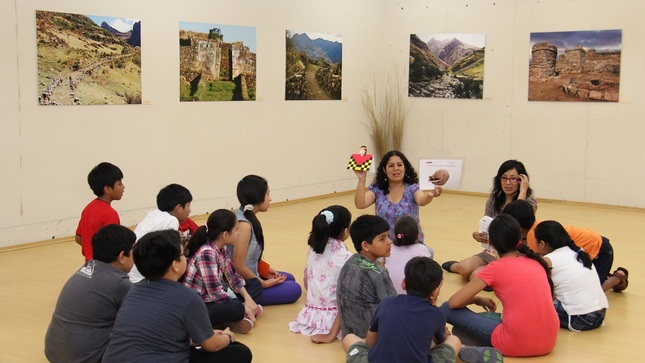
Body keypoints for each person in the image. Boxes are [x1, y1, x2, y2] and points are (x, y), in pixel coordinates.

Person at [102, 230, 252, 363]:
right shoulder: (188, 296)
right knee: (240, 352)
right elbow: (212, 345)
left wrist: (201, 337)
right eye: (183, 255)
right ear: (175, 265)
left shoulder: (133, 291)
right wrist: (228, 337)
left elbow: (155, 334)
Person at [343, 257, 503, 363]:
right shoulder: (436, 313)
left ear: (404, 283)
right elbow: (440, 342)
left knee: (349, 338)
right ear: (434, 291)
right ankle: (461, 352)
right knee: (453, 341)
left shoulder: (386, 303)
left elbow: (370, 342)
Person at [441, 214, 559, 357]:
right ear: (519, 237)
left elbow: (454, 303)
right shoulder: (536, 261)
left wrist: (477, 300)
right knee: (493, 318)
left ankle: (466, 347)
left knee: (445, 308)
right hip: (549, 341)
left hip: (516, 344)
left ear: (491, 242)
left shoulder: (495, 268)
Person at [45, 224, 135, 363]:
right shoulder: (119, 283)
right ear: (122, 256)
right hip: (82, 358)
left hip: (53, 352)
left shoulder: (88, 267)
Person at [503, 199, 628, 293]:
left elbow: (537, 266)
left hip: (600, 251)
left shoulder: (533, 237)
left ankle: (616, 278)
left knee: (593, 291)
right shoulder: (537, 227)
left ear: (517, 226)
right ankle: (608, 274)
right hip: (592, 245)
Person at [443, 160, 536, 280]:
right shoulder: (493, 201)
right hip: (494, 249)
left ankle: (496, 274)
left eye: (513, 178)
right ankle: (457, 266)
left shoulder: (529, 203)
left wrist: (523, 191)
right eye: (504, 178)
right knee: (464, 268)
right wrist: (477, 235)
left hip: (515, 253)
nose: (508, 182)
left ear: (522, 181)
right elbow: (487, 224)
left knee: (476, 276)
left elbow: (514, 220)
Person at [183, 209, 261, 334]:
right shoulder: (206, 253)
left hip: (213, 299)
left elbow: (233, 276)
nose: (238, 233)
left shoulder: (220, 248)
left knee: (255, 284)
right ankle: (236, 316)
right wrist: (243, 307)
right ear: (225, 235)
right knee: (235, 307)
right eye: (236, 230)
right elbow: (216, 293)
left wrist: (248, 298)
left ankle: (235, 317)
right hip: (200, 306)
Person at [228, 175, 302, 305]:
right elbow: (238, 266)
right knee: (295, 289)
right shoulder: (244, 225)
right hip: (242, 285)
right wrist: (263, 283)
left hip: (249, 275)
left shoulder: (244, 216)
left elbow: (247, 256)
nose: (270, 198)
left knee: (289, 277)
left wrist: (266, 270)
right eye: (268, 194)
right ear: (258, 196)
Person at [289, 205, 353, 343]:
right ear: (346, 231)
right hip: (335, 317)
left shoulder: (313, 249)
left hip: (311, 312)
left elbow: (306, 278)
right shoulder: (345, 257)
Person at [354, 150, 442, 244]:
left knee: (428, 253)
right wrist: (361, 179)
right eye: (391, 166)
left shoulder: (412, 188)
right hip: (386, 244)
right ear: (384, 170)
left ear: (405, 168)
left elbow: (422, 200)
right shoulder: (377, 189)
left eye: (399, 165)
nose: (396, 168)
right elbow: (360, 204)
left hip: (410, 241)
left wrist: (429, 196)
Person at [534, 220, 608, 331]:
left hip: (580, 319)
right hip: (599, 314)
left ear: (542, 244)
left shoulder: (549, 260)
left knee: (533, 303)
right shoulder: (578, 252)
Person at [336, 214, 397, 339]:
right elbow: (394, 309)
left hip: (350, 337)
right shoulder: (379, 272)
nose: (390, 242)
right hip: (373, 338)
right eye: (382, 239)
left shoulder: (349, 262)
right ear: (365, 246)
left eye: (388, 236)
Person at [128, 183, 193, 283]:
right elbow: (169, 255)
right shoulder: (171, 220)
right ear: (179, 208)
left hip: (133, 270)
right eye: (188, 206)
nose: (190, 210)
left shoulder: (154, 214)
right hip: (142, 276)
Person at [75, 162, 125, 261]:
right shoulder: (110, 214)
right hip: (105, 267)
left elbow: (78, 238)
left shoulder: (88, 208)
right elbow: (114, 245)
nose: (123, 187)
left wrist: (90, 251)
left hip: (89, 266)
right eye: (119, 183)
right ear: (107, 189)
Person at [384, 215, 432, 295]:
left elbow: (383, 267)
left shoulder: (389, 247)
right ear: (418, 236)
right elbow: (428, 271)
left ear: (395, 235)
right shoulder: (422, 249)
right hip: (413, 296)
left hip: (389, 294)